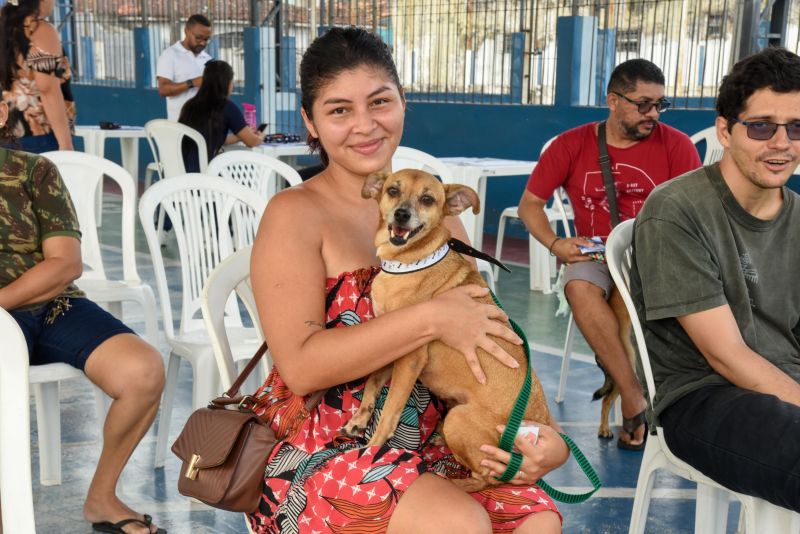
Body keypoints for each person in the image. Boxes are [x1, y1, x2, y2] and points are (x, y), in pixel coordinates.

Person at [247, 27, 568, 533]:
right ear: (309, 120)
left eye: (379, 101)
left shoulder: (437, 213)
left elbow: (487, 342)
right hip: (330, 444)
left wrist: (544, 434)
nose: (365, 125)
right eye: (338, 110)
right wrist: (430, 317)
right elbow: (303, 368)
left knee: (539, 521)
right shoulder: (293, 216)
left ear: (402, 102)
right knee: (459, 524)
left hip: (441, 436)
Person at [630, 46, 800, 512]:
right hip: (705, 396)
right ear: (725, 130)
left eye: (797, 128)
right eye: (762, 126)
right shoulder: (677, 211)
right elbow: (726, 357)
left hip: (784, 382)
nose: (781, 143)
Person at [0, 100, 167, 533]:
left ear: (2, 112)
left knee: (143, 371)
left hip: (52, 305)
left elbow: (64, 263)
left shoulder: (33, 171)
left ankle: (102, 497)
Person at [517, 59, 701, 450]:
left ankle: (681, 408)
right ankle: (634, 399)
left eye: (660, 105)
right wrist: (555, 243)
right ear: (613, 101)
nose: (653, 114)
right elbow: (530, 204)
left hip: (659, 256)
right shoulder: (571, 144)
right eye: (643, 104)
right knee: (579, 288)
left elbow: (697, 212)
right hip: (598, 255)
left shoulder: (677, 146)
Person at [0, 0, 75, 152]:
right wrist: (66, 145)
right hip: (38, 137)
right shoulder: (40, 30)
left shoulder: (4, 27)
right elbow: (47, 89)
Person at [178, 59, 266, 172]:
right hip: (205, 174)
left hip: (180, 172)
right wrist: (261, 137)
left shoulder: (189, 106)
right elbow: (251, 141)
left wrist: (239, 136)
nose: (232, 86)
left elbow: (206, 137)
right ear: (226, 83)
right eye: (232, 81)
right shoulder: (227, 107)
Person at [156, 14, 212, 122]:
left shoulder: (208, 59)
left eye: (207, 39)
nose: (203, 43)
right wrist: (193, 83)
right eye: (198, 37)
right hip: (179, 126)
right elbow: (163, 90)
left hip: (204, 125)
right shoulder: (170, 55)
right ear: (186, 31)